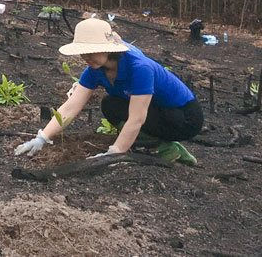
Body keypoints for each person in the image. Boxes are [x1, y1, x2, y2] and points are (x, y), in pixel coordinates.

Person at [14, 18, 202, 165]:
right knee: (110, 105)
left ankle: (167, 147)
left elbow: (137, 118)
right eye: (83, 53)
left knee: (134, 117)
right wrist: (42, 138)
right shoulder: (94, 70)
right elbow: (71, 107)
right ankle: (162, 144)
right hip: (157, 111)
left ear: (107, 48)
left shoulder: (139, 67)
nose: (86, 57)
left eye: (91, 51)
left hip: (184, 117)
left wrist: (114, 154)